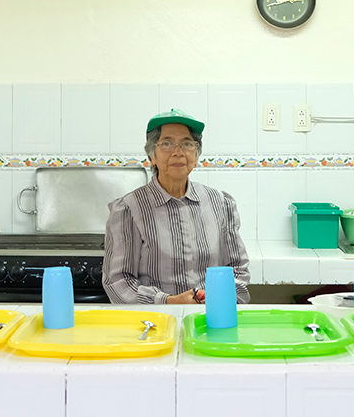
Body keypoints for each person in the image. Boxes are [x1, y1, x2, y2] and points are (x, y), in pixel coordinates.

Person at [102, 108, 251, 304]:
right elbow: (118, 281)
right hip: (153, 322)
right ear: (151, 156)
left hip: (209, 316)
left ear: (196, 156)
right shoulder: (129, 208)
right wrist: (168, 301)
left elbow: (238, 268)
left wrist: (213, 298)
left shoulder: (220, 203)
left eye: (187, 144)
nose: (178, 152)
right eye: (166, 143)